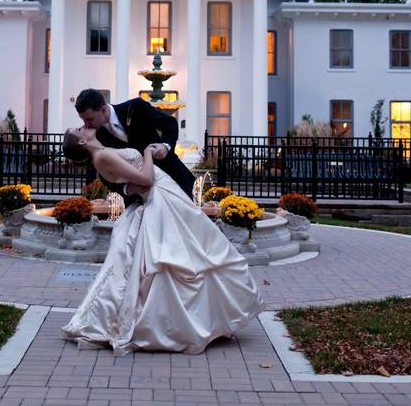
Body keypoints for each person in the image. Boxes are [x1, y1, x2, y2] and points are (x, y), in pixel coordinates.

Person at [58, 125, 264, 356]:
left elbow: (129, 181)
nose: (83, 126)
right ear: (83, 142)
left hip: (165, 194)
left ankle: (207, 320)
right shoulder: (103, 155)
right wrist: (147, 152)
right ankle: (194, 322)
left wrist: (128, 185)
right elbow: (146, 178)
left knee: (190, 251)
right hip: (161, 197)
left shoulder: (103, 153)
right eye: (78, 129)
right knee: (188, 253)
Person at [74, 88, 196, 202]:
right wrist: (127, 190)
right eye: (83, 120)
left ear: (103, 109)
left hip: (174, 176)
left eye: (89, 119)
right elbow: (106, 173)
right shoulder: (96, 137)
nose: (86, 125)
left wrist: (165, 146)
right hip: (143, 197)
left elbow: (169, 123)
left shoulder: (135, 107)